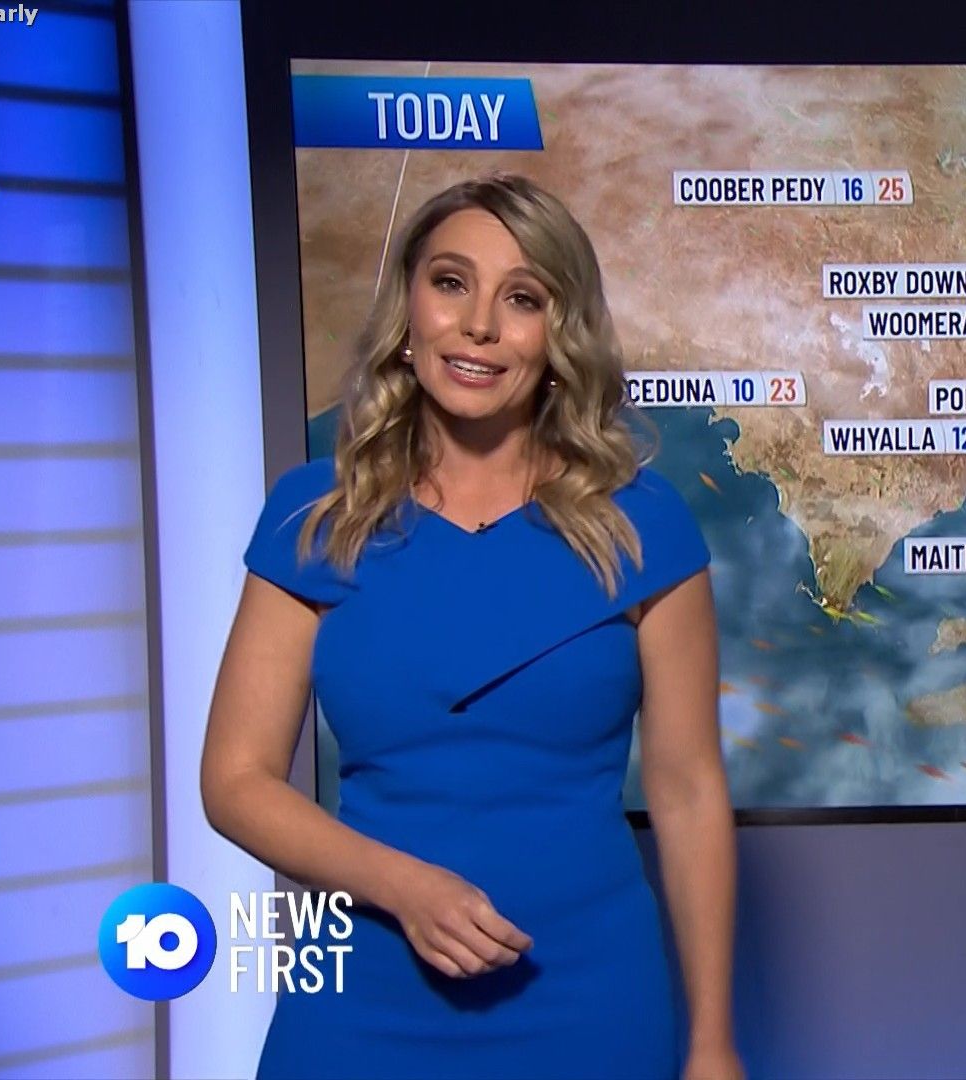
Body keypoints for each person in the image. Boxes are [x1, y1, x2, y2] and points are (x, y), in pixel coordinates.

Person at [202, 173, 744, 1080]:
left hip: (586, 999)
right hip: (363, 994)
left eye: (522, 298)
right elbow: (235, 782)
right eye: (451, 283)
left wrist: (713, 1044)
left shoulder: (643, 524)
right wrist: (402, 887)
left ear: (560, 334)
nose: (480, 325)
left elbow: (689, 792)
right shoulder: (315, 514)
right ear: (408, 308)